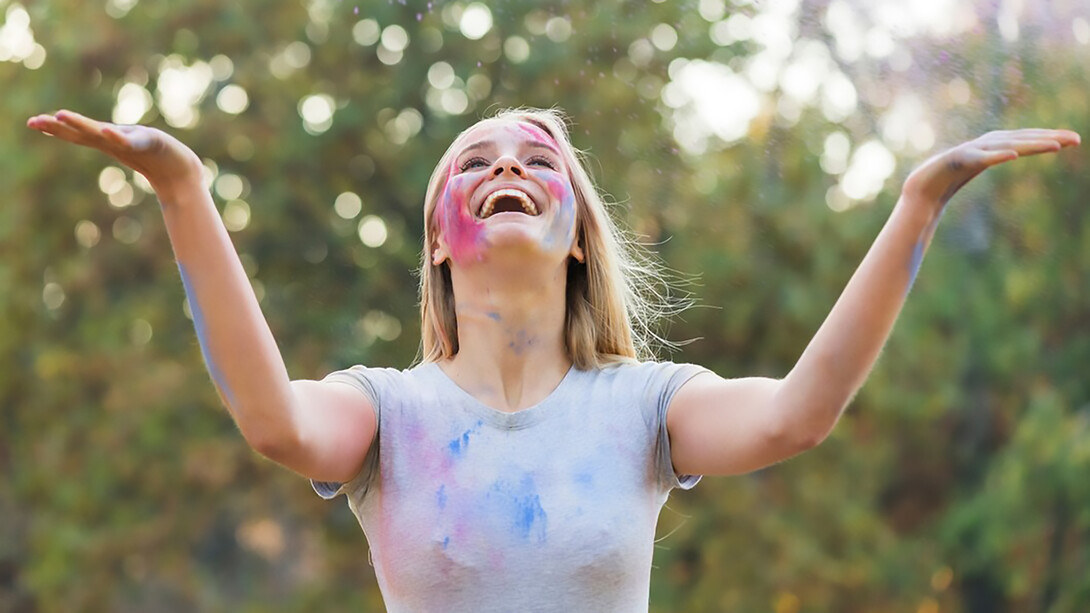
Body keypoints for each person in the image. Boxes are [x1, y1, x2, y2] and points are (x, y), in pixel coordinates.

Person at [26, 108, 1079, 612]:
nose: (506, 169)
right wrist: (183, 193)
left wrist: (914, 204)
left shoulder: (645, 409)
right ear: (440, 236)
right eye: (474, 162)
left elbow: (797, 415)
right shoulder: (384, 414)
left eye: (538, 161)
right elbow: (272, 420)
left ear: (577, 231)